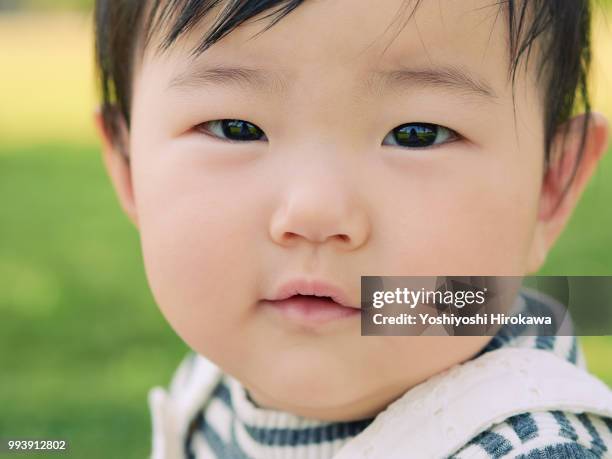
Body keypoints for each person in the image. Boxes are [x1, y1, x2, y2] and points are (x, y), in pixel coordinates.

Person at [92, 0, 612, 457]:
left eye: (416, 135)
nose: (315, 212)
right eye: (237, 129)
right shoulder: (209, 386)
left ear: (553, 185)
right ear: (126, 162)